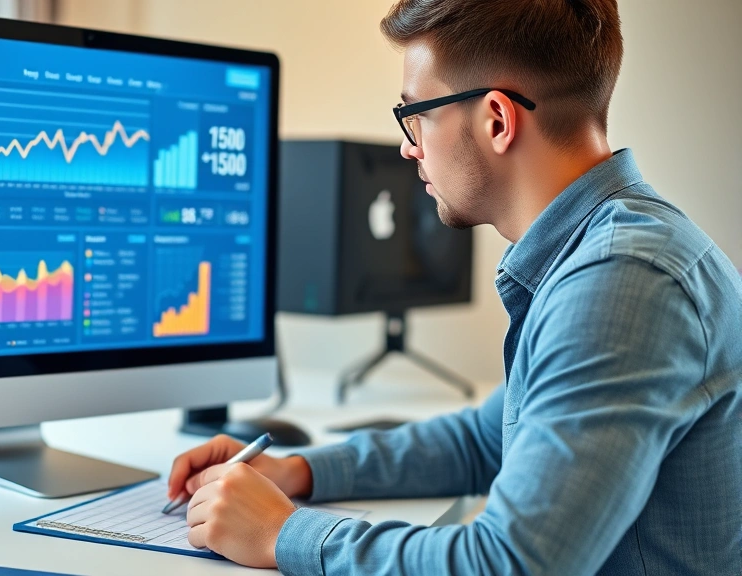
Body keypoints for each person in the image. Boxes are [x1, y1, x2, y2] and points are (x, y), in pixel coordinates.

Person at [167, 0, 742, 573]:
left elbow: (508, 563)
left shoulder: (620, 281)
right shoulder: (603, 253)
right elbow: (484, 440)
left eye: (415, 114)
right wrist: (299, 471)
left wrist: (280, 532)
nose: (408, 146)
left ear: (497, 120)